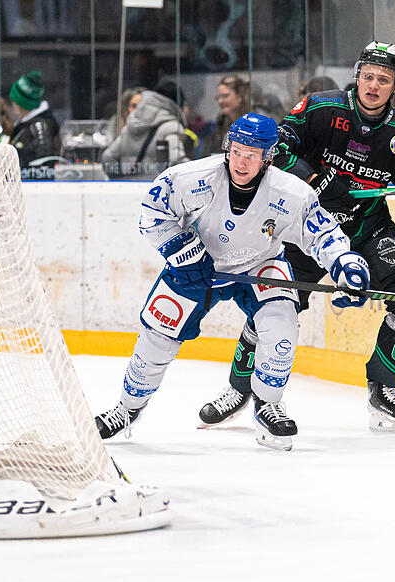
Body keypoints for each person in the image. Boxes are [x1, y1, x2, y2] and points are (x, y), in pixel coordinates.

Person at [198, 41, 395, 435]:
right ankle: (239, 388)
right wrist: (318, 181)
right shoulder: (320, 108)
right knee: (274, 305)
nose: (373, 85)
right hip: (307, 226)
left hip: (368, 228)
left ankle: (384, 389)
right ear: (357, 76)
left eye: (383, 79)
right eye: (368, 76)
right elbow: (274, 147)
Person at [93, 113, 369, 451]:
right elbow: (152, 213)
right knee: (157, 338)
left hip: (259, 264)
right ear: (228, 148)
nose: (242, 161)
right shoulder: (190, 178)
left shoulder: (291, 192)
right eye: (237, 151)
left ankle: (267, 404)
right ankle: (126, 409)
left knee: (282, 326)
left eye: (253, 154)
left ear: (269, 156)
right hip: (196, 267)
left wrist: (344, 262)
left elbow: (322, 232)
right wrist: (182, 250)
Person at [100, 87, 188, 173]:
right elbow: (177, 160)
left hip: (129, 185)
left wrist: (120, 179)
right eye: (133, 105)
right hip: (157, 185)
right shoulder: (171, 126)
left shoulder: (128, 128)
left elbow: (107, 157)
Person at [8, 70, 61, 171]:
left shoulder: (38, 127)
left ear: (21, 103)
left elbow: (43, 166)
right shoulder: (25, 126)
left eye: (14, 101)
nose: (13, 105)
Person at [204, 75, 250, 155]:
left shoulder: (253, 124)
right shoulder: (219, 124)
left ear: (239, 97)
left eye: (225, 96)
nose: (220, 101)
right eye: (218, 97)